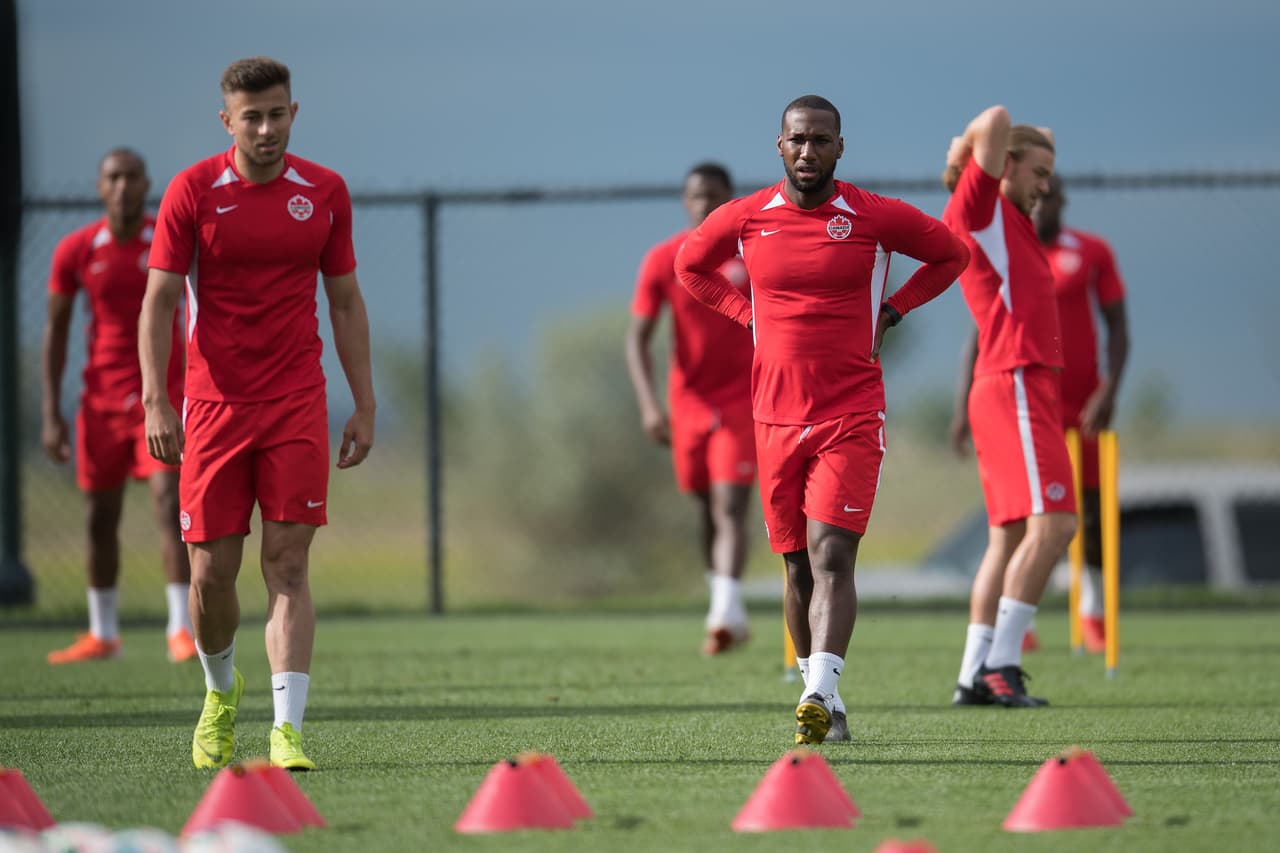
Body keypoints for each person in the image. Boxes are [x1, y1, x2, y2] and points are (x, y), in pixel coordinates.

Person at [677, 95, 969, 743]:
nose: (809, 151)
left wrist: (894, 309)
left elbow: (952, 255)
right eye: (798, 140)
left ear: (841, 147)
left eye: (821, 140)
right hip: (773, 416)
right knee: (795, 567)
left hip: (851, 412)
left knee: (832, 551)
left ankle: (819, 689)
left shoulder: (871, 215)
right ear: (779, 146)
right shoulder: (748, 216)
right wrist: (746, 314)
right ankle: (826, 702)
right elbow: (689, 266)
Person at [138, 57, 375, 771]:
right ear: (227, 122)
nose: (266, 128)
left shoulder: (325, 192)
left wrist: (363, 401)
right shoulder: (192, 191)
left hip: (297, 399)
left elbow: (343, 300)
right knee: (210, 572)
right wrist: (157, 398)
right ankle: (219, 693)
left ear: (293, 114)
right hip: (212, 406)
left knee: (288, 564)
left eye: (277, 114)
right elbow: (159, 301)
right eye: (252, 116)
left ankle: (287, 729)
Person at [942, 105, 1078, 708]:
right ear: (1004, 165)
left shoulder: (1010, 219)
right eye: (1038, 172)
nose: (1046, 186)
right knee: (1057, 524)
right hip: (1015, 381)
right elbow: (995, 118)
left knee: (1010, 536)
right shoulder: (982, 208)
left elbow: (1027, 136)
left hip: (1012, 382)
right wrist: (966, 152)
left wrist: (1037, 147)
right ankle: (1002, 664)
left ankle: (974, 674)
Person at [41, 148, 196, 665]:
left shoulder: (166, 241)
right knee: (97, 518)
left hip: (160, 402)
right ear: (100, 186)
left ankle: (180, 629)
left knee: (169, 502)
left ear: (147, 183)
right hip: (99, 404)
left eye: (132, 176)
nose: (124, 185)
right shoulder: (77, 250)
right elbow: (57, 333)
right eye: (114, 177)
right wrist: (50, 412)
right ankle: (102, 632)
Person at [625, 162, 757, 655]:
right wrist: (648, 405)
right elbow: (637, 338)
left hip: (744, 399)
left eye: (714, 196)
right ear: (685, 201)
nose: (704, 204)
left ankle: (724, 610)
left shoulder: (752, 253)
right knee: (706, 506)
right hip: (689, 405)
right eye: (696, 196)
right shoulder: (663, 259)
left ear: (729, 199)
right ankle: (727, 607)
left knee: (731, 505)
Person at [1034, 175, 1129, 652]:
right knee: (1030, 512)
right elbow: (982, 332)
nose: (1038, 207)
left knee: (1090, 511)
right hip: (1034, 402)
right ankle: (1020, 621)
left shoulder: (1091, 251)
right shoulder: (1012, 252)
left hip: (1085, 404)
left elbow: (1117, 326)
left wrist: (1109, 390)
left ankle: (1092, 611)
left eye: (1046, 197)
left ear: (1060, 201)